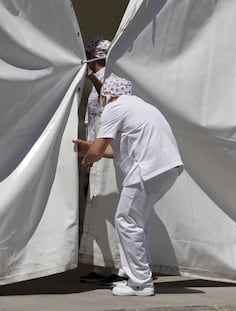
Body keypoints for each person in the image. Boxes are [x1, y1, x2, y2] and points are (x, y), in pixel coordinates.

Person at [73, 76, 183, 296]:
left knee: (126, 220)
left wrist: (88, 158)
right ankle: (135, 273)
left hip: (148, 169)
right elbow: (115, 151)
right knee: (137, 221)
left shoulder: (115, 107)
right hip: (168, 168)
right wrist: (91, 148)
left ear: (108, 96)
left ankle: (140, 282)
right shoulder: (141, 107)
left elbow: (99, 148)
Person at [79, 37, 128, 286]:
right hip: (97, 150)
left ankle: (119, 265)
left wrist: (93, 79)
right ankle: (103, 265)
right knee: (98, 207)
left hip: (108, 151)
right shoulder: (103, 75)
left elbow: (111, 101)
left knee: (111, 205)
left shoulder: (114, 75)